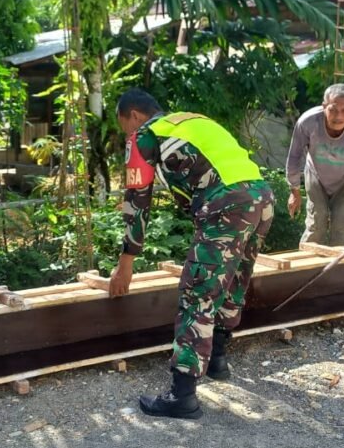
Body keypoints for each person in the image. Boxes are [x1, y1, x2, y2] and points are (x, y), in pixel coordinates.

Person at [108, 89, 274, 420]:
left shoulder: (146, 133)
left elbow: (137, 198)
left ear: (135, 116)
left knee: (197, 291)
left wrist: (125, 262)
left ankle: (182, 393)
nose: (127, 133)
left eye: (124, 125)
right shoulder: (192, 121)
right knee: (232, 282)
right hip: (262, 197)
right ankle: (218, 361)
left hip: (227, 203)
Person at [286, 83, 344, 245]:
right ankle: (307, 269)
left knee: (343, 228)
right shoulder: (308, 123)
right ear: (324, 106)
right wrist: (294, 190)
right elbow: (294, 156)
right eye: (333, 110)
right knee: (316, 225)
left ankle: (337, 269)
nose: (338, 116)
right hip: (316, 176)